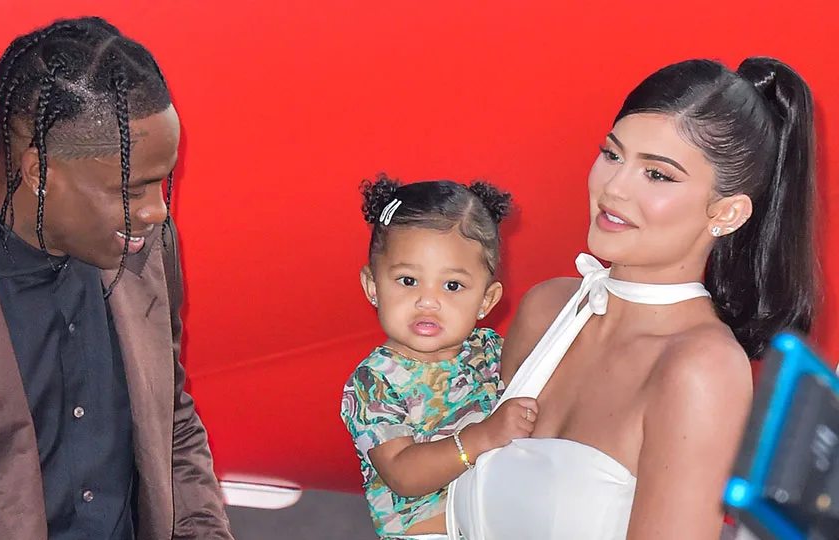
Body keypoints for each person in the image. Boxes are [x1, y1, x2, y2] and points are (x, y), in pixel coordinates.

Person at [0, 17, 233, 540]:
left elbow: (172, 422)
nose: (158, 212)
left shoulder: (145, 246)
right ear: (39, 173)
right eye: (131, 190)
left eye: (164, 183)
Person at [446, 56, 819, 540]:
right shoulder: (547, 309)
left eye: (658, 175)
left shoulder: (701, 371)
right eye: (612, 154)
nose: (614, 188)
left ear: (726, 213)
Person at [340, 175, 538, 539]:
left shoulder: (491, 350)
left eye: (452, 286)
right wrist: (479, 439)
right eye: (408, 281)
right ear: (372, 286)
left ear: (486, 300)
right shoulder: (375, 380)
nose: (428, 301)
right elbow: (403, 474)